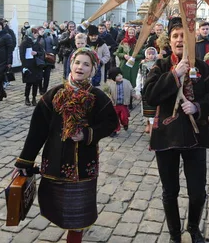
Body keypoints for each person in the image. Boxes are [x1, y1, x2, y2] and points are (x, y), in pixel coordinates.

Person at [13, 47, 118, 243]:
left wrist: (88, 134)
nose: (81, 67)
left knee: (78, 215)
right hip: (55, 161)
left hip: (83, 165)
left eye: (86, 64)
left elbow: (111, 122)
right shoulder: (53, 95)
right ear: (71, 64)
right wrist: (24, 162)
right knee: (58, 207)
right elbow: (37, 131)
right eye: (78, 62)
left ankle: (75, 235)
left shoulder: (98, 97)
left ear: (92, 70)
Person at [143, 17, 209, 243]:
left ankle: (194, 228)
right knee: (170, 191)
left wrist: (198, 106)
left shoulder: (204, 67)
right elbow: (150, 95)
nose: (179, 40)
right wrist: (174, 75)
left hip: (195, 137)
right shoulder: (160, 65)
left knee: (198, 192)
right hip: (166, 138)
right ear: (170, 39)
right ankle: (175, 234)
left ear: (191, 38)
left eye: (183, 36)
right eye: (175, 36)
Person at [103, 67, 137, 136]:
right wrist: (109, 98)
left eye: (121, 75)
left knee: (124, 117)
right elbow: (106, 92)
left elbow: (131, 90)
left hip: (123, 104)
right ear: (113, 77)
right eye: (117, 76)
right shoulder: (109, 83)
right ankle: (114, 130)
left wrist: (135, 95)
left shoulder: (127, 82)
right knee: (114, 118)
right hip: (114, 105)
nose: (120, 77)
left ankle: (125, 123)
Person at [20, 27, 45, 106]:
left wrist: (36, 53)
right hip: (28, 65)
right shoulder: (25, 43)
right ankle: (26, 98)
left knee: (36, 83)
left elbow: (42, 52)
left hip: (36, 65)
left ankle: (34, 98)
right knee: (29, 83)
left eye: (37, 33)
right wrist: (24, 66)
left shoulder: (37, 43)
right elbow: (22, 55)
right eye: (35, 33)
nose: (36, 35)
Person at [135, 47, 158, 134]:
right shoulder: (142, 65)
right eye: (149, 54)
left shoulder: (158, 64)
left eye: (152, 54)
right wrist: (138, 88)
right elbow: (139, 77)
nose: (151, 56)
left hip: (154, 88)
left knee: (153, 108)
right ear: (146, 55)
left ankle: (152, 126)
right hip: (145, 88)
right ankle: (147, 123)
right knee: (145, 108)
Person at [38, 26, 58, 94]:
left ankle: (44, 90)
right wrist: (39, 36)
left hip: (48, 59)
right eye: (40, 30)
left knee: (47, 76)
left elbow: (56, 44)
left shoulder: (49, 38)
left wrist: (54, 35)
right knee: (40, 76)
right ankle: (40, 88)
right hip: (40, 60)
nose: (42, 31)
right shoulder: (37, 38)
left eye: (43, 30)